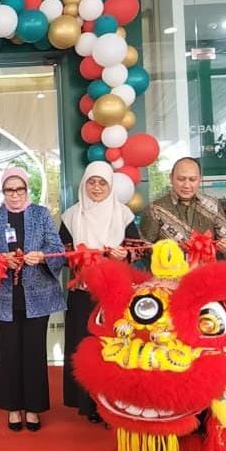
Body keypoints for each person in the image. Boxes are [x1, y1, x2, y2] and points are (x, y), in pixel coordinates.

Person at [0, 167, 66, 432]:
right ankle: (13, 408)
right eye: (9, 189)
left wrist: (41, 255)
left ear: (27, 190)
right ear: (2, 191)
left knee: (35, 351)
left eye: (20, 189)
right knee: (9, 352)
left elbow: (57, 248)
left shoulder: (41, 214)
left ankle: (35, 408)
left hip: (38, 295)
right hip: (4, 295)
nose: (15, 194)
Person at [59, 161, 139, 424]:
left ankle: (113, 402)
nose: (96, 187)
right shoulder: (71, 216)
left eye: (102, 182)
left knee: (113, 345)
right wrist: (79, 257)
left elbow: (137, 249)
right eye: (91, 182)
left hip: (114, 293)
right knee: (85, 346)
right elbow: (62, 253)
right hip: (82, 292)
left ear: (110, 186)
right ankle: (87, 403)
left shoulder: (123, 214)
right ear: (84, 184)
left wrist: (124, 253)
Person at [140, 157, 226, 254]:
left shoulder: (212, 204)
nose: (186, 185)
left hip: (206, 267)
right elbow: (143, 247)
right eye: (181, 179)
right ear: (171, 178)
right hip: (171, 267)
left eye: (192, 179)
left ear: (200, 179)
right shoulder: (156, 208)